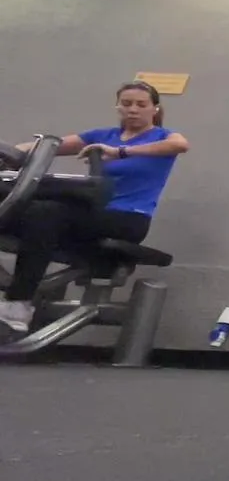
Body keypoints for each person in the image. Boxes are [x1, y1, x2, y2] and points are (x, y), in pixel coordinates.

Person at [1, 81, 189, 335]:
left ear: (154, 108)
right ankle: (18, 298)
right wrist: (12, 153)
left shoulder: (163, 137)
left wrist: (120, 152)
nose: (133, 109)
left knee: (48, 211)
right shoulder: (101, 135)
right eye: (126, 103)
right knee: (27, 208)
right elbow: (42, 147)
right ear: (118, 106)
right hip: (89, 215)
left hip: (128, 218)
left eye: (141, 104)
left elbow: (180, 145)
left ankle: (18, 305)